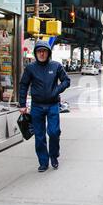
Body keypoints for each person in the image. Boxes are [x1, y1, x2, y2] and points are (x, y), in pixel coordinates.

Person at [19, 40, 71, 172]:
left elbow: (66, 81)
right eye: (39, 51)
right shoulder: (30, 68)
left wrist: (57, 90)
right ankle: (43, 162)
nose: (42, 54)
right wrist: (22, 104)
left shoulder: (56, 66)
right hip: (37, 106)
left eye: (44, 51)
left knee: (54, 133)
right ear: (36, 53)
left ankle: (54, 156)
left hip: (53, 105)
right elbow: (23, 85)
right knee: (39, 135)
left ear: (48, 53)